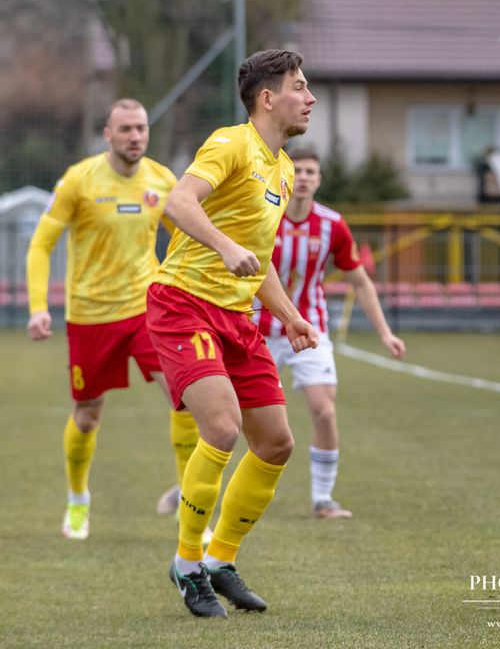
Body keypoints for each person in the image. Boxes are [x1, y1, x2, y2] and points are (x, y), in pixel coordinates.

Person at [147, 49, 319, 618]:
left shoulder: (285, 167)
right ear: (268, 98)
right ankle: (188, 564)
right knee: (221, 428)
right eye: (299, 87)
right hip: (182, 305)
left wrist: (290, 314)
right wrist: (224, 247)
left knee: (276, 442)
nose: (310, 97)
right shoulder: (231, 143)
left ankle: (221, 560)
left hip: (236, 318)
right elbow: (179, 202)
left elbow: (259, 257)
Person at [25, 98, 201, 541]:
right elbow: (41, 243)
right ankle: (79, 500)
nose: (135, 136)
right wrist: (38, 306)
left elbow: (185, 243)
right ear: (107, 135)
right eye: (125, 129)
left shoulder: (163, 179)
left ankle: (188, 498)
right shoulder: (79, 180)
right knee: (87, 416)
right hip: (89, 316)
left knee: (186, 397)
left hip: (148, 310)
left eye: (141, 128)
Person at [252, 148, 406, 519]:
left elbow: (361, 282)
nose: (303, 177)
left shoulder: (332, 225)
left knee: (324, 411)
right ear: (286, 177)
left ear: (319, 180)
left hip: (311, 331)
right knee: (241, 420)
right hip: (259, 330)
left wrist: (384, 333)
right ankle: (222, 491)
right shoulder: (261, 216)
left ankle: (323, 499)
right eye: (298, 170)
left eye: (310, 171)